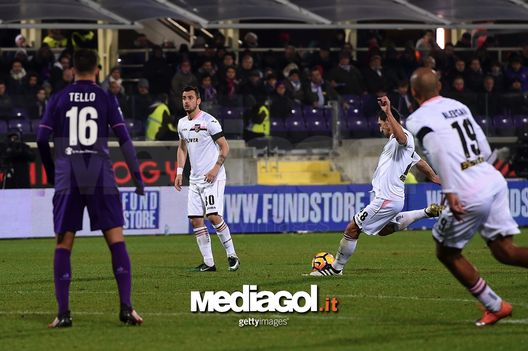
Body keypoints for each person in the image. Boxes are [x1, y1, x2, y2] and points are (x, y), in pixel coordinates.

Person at [406, 67, 527, 327]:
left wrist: (450, 190)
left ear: (414, 92)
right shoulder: (457, 105)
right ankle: (496, 306)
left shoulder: (417, 119)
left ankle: (495, 306)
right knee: (506, 251)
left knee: (447, 252)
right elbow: (482, 145)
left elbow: (437, 149)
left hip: (467, 189)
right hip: (490, 178)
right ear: (438, 87)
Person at [36, 49, 145, 328]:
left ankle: (63, 314)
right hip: (99, 173)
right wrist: (136, 177)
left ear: (71, 70)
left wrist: (51, 172)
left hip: (68, 175)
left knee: (64, 243)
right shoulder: (106, 97)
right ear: (97, 69)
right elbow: (125, 140)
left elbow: (40, 138)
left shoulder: (58, 98)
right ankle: (126, 308)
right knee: (115, 240)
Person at [311, 96, 442, 276]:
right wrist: (434, 176)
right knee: (383, 230)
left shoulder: (401, 138)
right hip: (394, 199)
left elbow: (402, 138)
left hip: (387, 198)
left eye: (381, 124)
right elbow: (419, 162)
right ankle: (426, 212)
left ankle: (335, 269)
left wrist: (388, 111)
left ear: (389, 122)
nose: (380, 128)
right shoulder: (399, 145)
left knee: (352, 228)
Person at [174, 86, 240, 272]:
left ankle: (232, 255)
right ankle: (209, 263)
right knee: (195, 220)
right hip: (195, 179)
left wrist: (215, 168)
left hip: (213, 177)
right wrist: (179, 172)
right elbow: (182, 148)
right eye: (184, 98)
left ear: (198, 100)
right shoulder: (182, 124)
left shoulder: (209, 121)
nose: (186, 101)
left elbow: (224, 147)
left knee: (212, 216)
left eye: (190, 98)